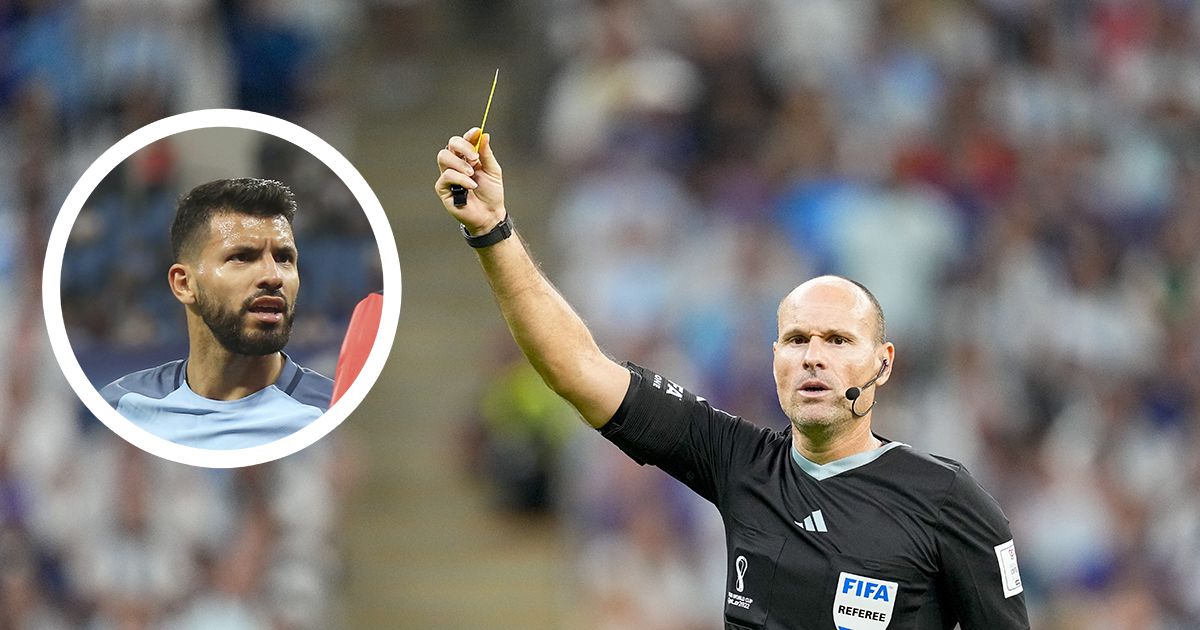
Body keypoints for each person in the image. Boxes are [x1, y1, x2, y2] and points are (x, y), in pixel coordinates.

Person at [435, 128, 1030, 628]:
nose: (813, 357)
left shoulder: (949, 503)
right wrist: (491, 230)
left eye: (838, 340)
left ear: (884, 362)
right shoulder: (739, 463)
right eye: (796, 340)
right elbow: (578, 370)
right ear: (774, 361)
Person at [101, 178, 332, 450]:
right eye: (242, 257)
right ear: (184, 284)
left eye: (284, 258)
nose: (273, 276)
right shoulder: (123, 408)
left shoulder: (329, 413)